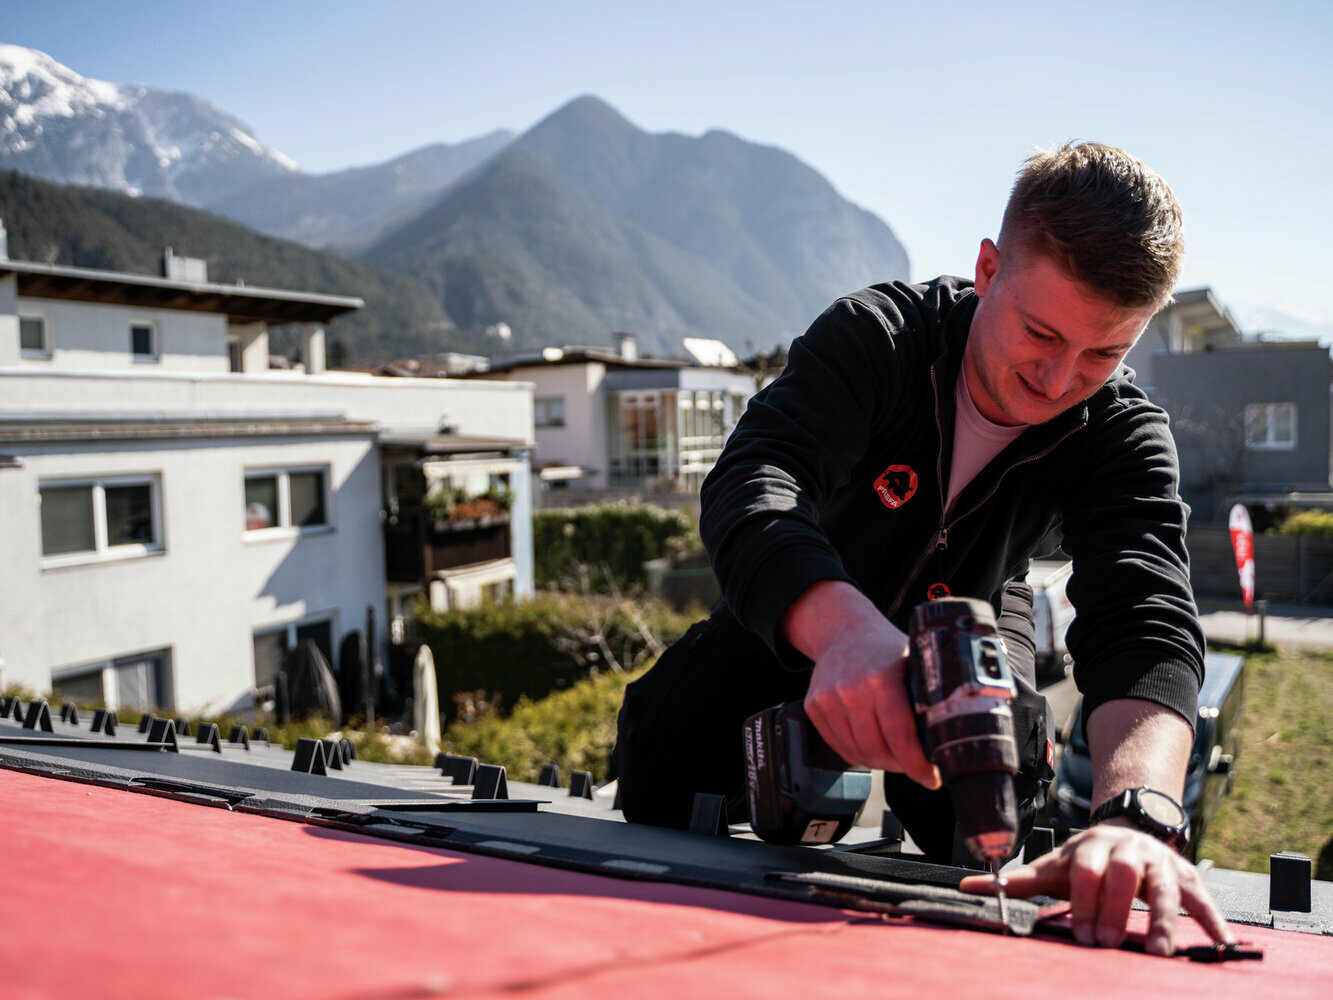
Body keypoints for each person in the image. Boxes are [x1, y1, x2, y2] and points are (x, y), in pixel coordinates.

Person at [615, 142, 1235, 956]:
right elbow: (753, 480)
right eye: (1039, 332)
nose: (1055, 382)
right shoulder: (875, 338)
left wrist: (1138, 813)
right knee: (663, 763)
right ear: (986, 269)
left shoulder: (1122, 434)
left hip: (975, 619)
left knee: (993, 811)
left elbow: (1144, 612)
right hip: (807, 600)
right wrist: (841, 631)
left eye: (1101, 354)